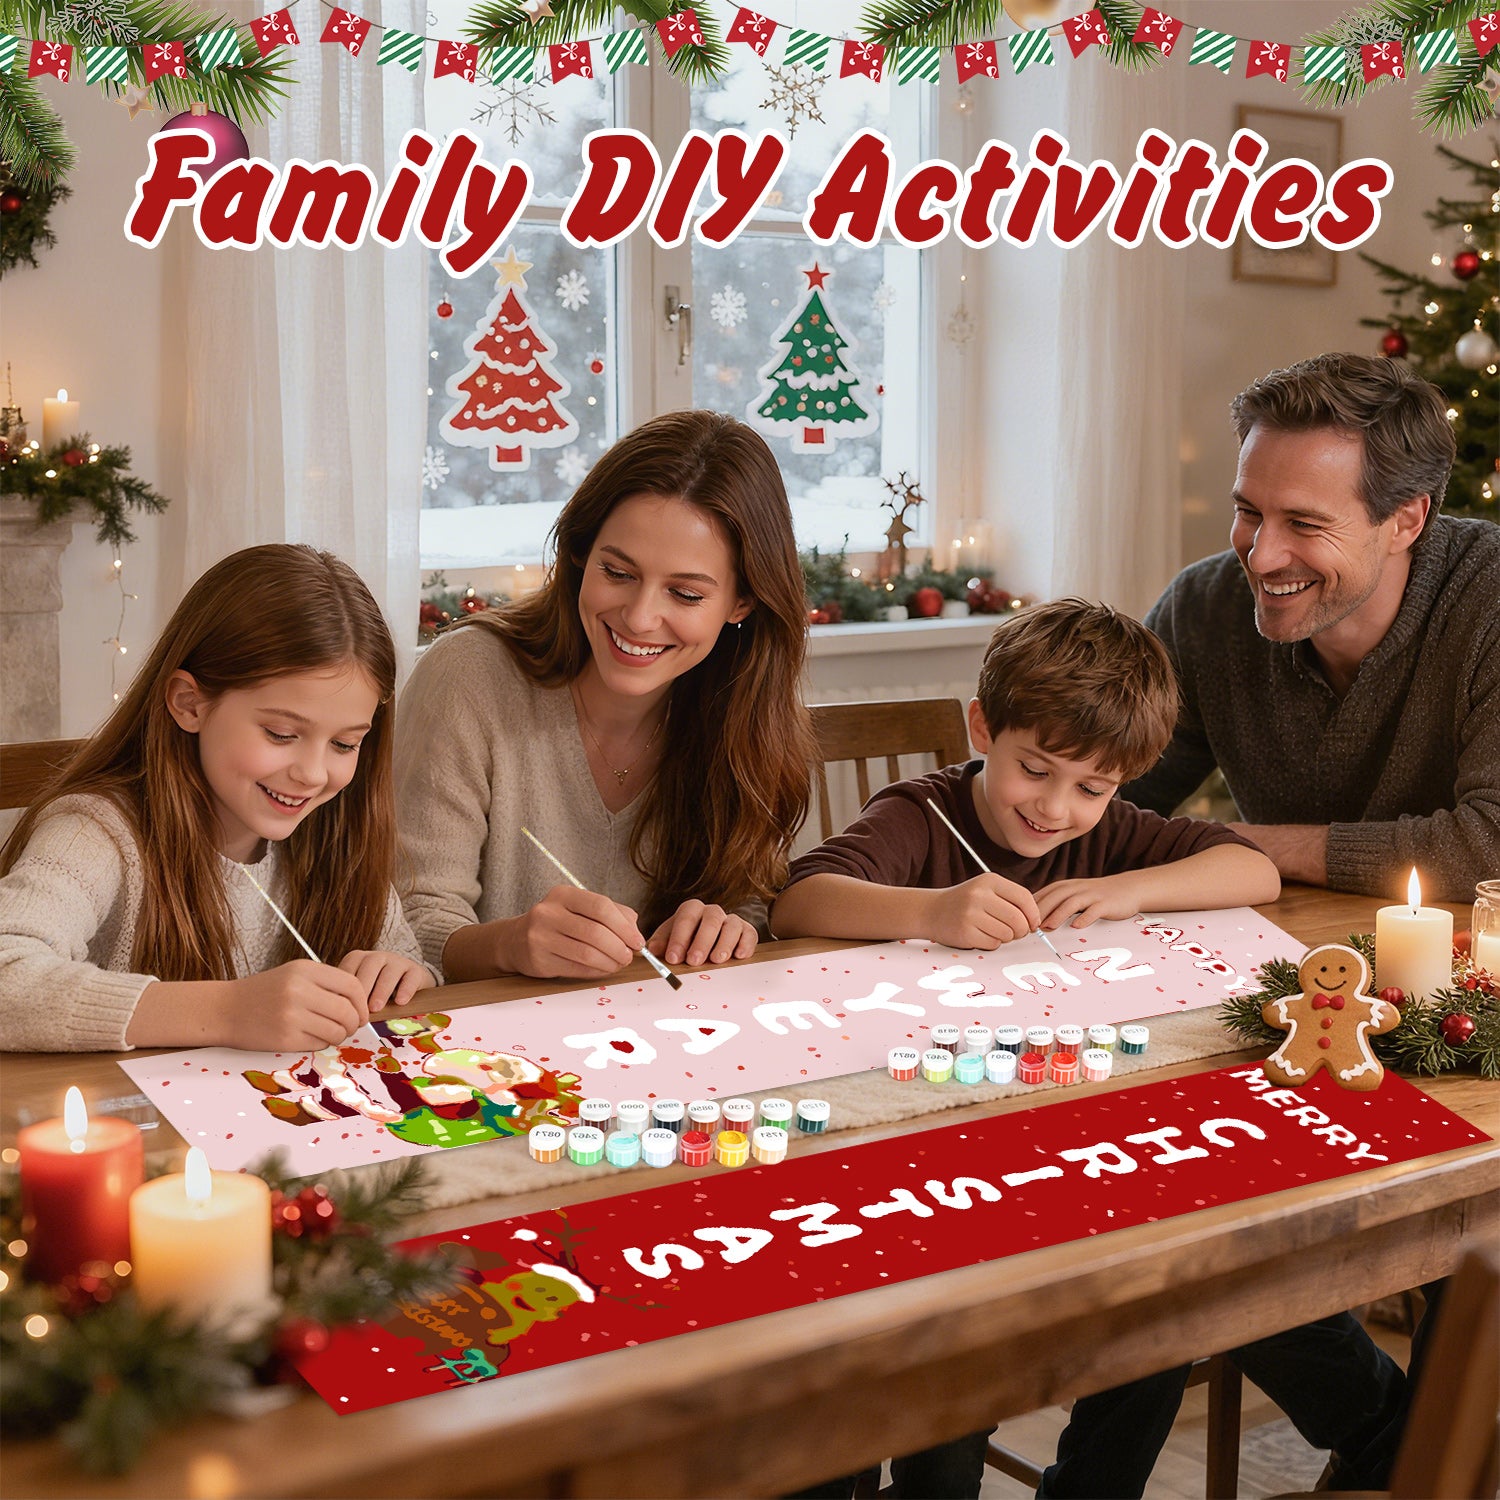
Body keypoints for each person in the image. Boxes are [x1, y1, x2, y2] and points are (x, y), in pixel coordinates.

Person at [772, 598, 1280, 1500]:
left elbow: (1255, 870)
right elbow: (801, 898)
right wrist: (931, 911)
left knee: (1157, 1305)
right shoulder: (921, 815)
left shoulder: (1109, 836)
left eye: (1093, 789)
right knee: (957, 1380)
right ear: (983, 727)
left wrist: (1131, 891)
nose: (1054, 808)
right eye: (1034, 771)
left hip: (1066, 1146)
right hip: (918, 1157)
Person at [395, 409, 816, 983]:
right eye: (617, 573)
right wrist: (510, 945)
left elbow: (747, 902)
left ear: (742, 604)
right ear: (579, 555)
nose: (640, 617)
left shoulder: (746, 707)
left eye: (686, 594)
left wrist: (728, 926)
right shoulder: (469, 677)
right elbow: (407, 927)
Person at [0, 544, 435, 1053]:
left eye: (344, 744)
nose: (313, 774)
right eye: (279, 733)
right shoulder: (93, 833)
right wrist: (228, 1011)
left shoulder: (337, 832)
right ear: (190, 704)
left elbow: (409, 963)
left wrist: (406, 975)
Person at [1122, 351, 1499, 902]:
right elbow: (1100, 786)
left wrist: (1235, 845)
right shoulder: (1202, 609)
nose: (1262, 556)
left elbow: (1491, 845)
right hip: (1277, 959)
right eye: (1249, 512)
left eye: (1304, 523)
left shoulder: (1487, 600)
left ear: (1405, 522)